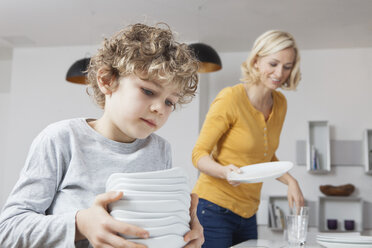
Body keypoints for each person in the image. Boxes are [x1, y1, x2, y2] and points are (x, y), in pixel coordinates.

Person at [0, 23, 204, 248]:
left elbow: (155, 228)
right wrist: (80, 224)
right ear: (107, 80)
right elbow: (8, 230)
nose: (160, 109)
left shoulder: (160, 149)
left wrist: (183, 229)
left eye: (170, 102)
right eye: (148, 91)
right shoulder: (61, 139)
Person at [191, 30, 305, 248]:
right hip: (213, 208)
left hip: (249, 213)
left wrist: (291, 181)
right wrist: (225, 172)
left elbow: (265, 155)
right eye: (273, 63)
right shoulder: (230, 98)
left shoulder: (280, 104)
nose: (280, 72)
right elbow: (198, 155)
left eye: (287, 66)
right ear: (256, 61)